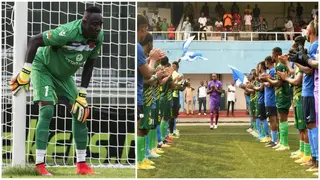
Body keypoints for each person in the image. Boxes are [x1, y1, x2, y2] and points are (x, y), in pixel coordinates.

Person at [9, 7, 105, 176]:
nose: (97, 28)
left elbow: (90, 64)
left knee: (81, 111)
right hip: (43, 68)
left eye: (100, 24)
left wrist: (82, 94)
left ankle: (81, 165)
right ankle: (39, 164)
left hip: (64, 76)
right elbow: (34, 41)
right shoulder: (66, 33)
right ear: (84, 23)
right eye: (94, 24)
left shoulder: (98, 37)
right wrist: (25, 72)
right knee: (47, 109)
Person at [288, 21, 318, 174]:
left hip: (310, 92)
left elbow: (310, 70)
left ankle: (315, 160)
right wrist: (298, 60)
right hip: (308, 93)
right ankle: (313, 159)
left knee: (312, 126)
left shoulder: (315, 46)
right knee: (310, 126)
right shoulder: (311, 47)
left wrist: (297, 62)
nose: (305, 30)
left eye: (307, 28)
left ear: (310, 32)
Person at [136, 14, 165, 170]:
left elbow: (145, 72)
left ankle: (144, 156)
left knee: (145, 127)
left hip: (144, 99)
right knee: (141, 127)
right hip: (142, 99)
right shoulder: (137, 47)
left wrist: (152, 62)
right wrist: (153, 62)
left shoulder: (137, 49)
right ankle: (140, 159)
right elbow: (147, 76)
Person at [263, 47, 291, 151]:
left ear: (276, 54)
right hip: (279, 96)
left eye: (272, 53)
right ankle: (281, 142)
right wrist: (269, 79)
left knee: (283, 119)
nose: (271, 56)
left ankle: (285, 143)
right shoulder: (278, 66)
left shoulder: (281, 66)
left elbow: (279, 83)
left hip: (283, 95)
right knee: (280, 119)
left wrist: (268, 79)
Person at [260, 56, 278, 148]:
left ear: (267, 62)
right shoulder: (270, 72)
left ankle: (275, 140)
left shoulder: (273, 71)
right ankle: (273, 139)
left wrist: (265, 81)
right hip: (268, 99)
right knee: (271, 120)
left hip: (271, 99)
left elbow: (273, 83)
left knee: (273, 120)